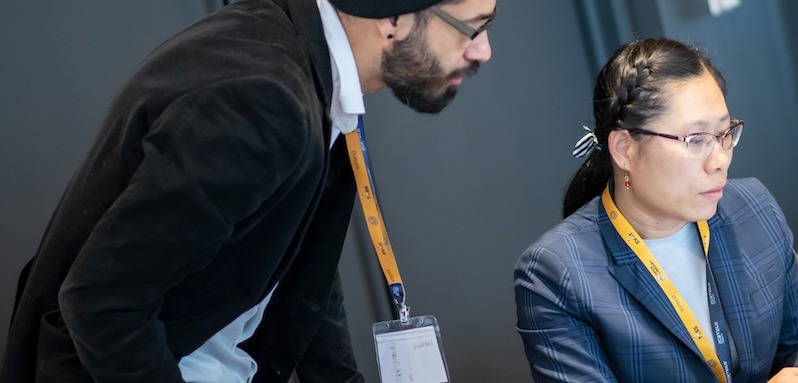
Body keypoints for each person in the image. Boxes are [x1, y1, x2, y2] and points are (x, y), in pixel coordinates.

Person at [1, 0, 495, 381]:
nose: (483, 51)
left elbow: (304, 270)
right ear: (393, 17)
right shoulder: (264, 97)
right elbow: (102, 302)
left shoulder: (297, 49)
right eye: (473, 27)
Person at [513, 38, 798, 383]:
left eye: (725, 134)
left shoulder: (752, 208)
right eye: (695, 140)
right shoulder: (557, 274)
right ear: (625, 149)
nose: (720, 160)